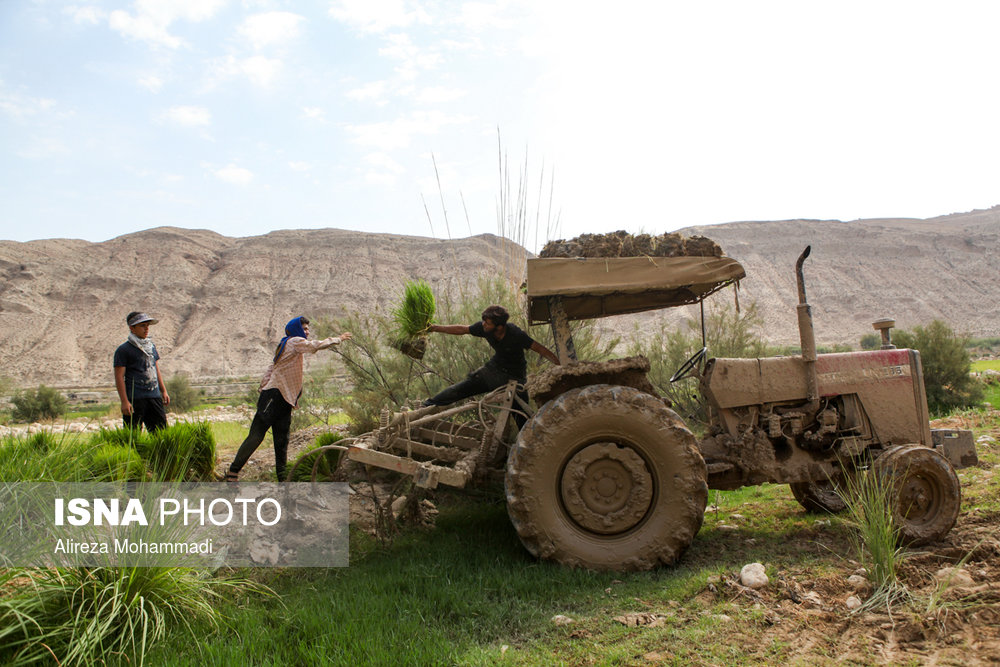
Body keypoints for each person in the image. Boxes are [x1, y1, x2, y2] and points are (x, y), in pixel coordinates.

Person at [226, 316, 352, 482]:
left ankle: (283, 479)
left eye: (307, 329)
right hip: (275, 394)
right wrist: (338, 339)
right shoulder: (294, 341)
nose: (307, 332)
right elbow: (314, 345)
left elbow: (273, 368)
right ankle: (232, 473)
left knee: (282, 440)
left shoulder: (286, 346)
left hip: (283, 398)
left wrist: (263, 388)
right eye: (305, 329)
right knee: (257, 434)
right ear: (296, 329)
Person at [422, 305, 559, 425]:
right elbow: (462, 329)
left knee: (522, 417)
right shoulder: (484, 328)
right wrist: (434, 328)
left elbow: (539, 348)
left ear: (499, 327)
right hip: (494, 370)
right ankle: (427, 406)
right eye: (484, 322)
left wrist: (559, 363)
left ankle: (528, 447)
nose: (483, 325)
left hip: (515, 377)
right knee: (461, 388)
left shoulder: (516, 334)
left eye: (487, 323)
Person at [114, 311, 171, 432]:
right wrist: (124, 401)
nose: (146, 329)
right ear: (132, 328)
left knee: (161, 433)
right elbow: (119, 377)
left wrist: (163, 391)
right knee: (133, 435)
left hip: (154, 396)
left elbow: (155, 368)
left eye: (147, 325)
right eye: (142, 325)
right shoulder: (123, 350)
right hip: (135, 399)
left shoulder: (151, 347)